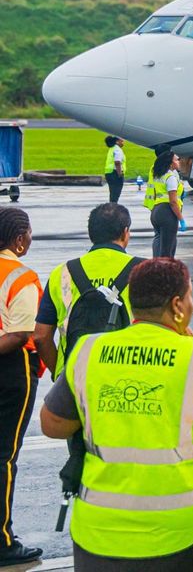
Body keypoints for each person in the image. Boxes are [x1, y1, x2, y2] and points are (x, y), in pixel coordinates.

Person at [40, 258, 193, 571]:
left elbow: (53, 424)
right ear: (178, 304)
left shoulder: (88, 350)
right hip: (186, 530)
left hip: (101, 532)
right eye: (191, 296)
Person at [33, 202, 140, 376]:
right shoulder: (144, 270)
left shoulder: (62, 273)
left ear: (91, 235)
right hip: (127, 376)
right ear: (125, 233)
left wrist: (60, 375)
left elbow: (41, 336)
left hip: (74, 377)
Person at [0, 208, 42, 565]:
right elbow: (20, 334)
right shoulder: (21, 276)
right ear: (18, 239)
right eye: (28, 233)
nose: (30, 239)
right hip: (12, 370)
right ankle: (3, 541)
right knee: (4, 457)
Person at [145, 148, 185, 259]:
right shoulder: (170, 177)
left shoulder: (159, 174)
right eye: (177, 160)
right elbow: (173, 202)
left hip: (156, 211)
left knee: (159, 242)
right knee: (167, 250)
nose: (179, 161)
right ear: (171, 163)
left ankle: (155, 267)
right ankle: (164, 274)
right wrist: (181, 218)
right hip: (167, 212)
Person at [103, 136, 126, 204]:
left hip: (109, 173)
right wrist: (120, 174)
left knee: (112, 193)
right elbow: (117, 162)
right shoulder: (117, 150)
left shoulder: (112, 149)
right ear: (117, 141)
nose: (123, 143)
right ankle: (113, 208)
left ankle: (112, 206)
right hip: (115, 173)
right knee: (115, 194)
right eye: (122, 141)